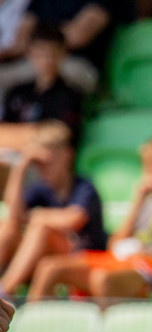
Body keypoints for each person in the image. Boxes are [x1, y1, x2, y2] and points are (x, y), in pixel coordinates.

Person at [26, 137, 152, 304]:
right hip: (127, 262)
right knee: (49, 268)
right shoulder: (145, 204)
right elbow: (115, 245)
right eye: (150, 170)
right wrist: (138, 201)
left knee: (101, 278)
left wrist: (151, 254)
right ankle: (30, 325)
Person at [0, 121, 104, 296]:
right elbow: (14, 215)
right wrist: (21, 167)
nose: (43, 168)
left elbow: (74, 219)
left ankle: (4, 290)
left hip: (84, 255)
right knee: (8, 227)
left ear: (66, 155)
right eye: (38, 163)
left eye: (48, 161)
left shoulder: (83, 186)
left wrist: (37, 216)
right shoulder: (40, 188)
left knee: (41, 229)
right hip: (48, 255)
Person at [0, 0, 131, 96]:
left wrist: (38, 38)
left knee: (50, 74)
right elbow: (21, 37)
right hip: (32, 61)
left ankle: (57, 124)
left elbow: (78, 36)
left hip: (77, 63)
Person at [0, 23, 84, 153]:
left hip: (42, 158)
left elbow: (58, 135)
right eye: (40, 53)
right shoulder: (17, 92)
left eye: (52, 53)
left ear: (63, 53)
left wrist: (12, 135)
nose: (46, 60)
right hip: (11, 154)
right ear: (30, 53)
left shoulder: (69, 95)